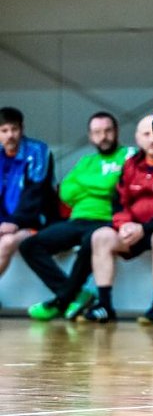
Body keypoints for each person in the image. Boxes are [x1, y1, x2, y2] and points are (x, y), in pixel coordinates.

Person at [82, 115, 153, 324]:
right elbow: (119, 203)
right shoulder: (130, 165)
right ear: (137, 138)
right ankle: (104, 306)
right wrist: (124, 225)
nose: (152, 140)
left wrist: (144, 228)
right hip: (137, 230)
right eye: (146, 134)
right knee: (100, 236)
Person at [23, 111, 135, 321]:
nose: (103, 136)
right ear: (91, 136)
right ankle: (74, 293)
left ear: (117, 131)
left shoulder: (128, 155)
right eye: (97, 132)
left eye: (108, 131)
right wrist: (101, 183)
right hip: (78, 219)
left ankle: (60, 300)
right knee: (29, 245)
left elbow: (113, 185)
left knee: (90, 243)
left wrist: (87, 184)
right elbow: (65, 191)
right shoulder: (86, 161)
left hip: (107, 220)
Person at [0, 107, 57, 280]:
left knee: (7, 242)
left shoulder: (38, 151)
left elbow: (35, 194)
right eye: (4, 130)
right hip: (5, 224)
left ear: (22, 129)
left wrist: (15, 222)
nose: (10, 135)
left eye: (14, 129)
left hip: (35, 222)